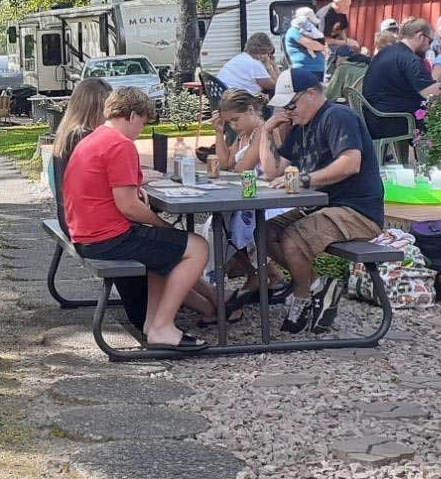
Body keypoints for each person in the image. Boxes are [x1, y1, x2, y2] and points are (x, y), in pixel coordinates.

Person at [62, 87, 210, 350]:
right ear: (131, 115)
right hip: (107, 238)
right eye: (142, 123)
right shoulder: (120, 144)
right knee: (197, 247)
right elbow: (129, 206)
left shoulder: (93, 138)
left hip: (86, 234)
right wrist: (162, 224)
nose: (141, 130)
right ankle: (163, 328)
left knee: (163, 250)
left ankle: (152, 324)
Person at [259, 68, 384, 334]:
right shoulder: (301, 126)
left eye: (291, 105)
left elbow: (350, 163)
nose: (288, 112)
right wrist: (265, 132)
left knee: (294, 238)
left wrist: (304, 180)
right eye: (284, 107)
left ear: (312, 94)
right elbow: (272, 172)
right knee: (263, 232)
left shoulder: (337, 115)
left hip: (357, 211)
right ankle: (317, 285)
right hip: (323, 207)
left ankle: (302, 297)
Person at [210, 90, 290, 315]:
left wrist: (230, 167)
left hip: (268, 197)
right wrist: (219, 132)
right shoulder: (243, 135)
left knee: (232, 224)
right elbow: (225, 163)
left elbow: (240, 168)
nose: (233, 126)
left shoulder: (262, 132)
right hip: (248, 196)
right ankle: (260, 274)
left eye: (235, 120)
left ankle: (268, 274)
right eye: (229, 122)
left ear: (251, 110)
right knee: (220, 223)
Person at [362, 18, 441, 139]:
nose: (429, 46)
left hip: (372, 118)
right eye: (430, 41)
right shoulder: (410, 59)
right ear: (420, 36)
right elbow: (430, 93)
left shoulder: (385, 52)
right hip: (393, 121)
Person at [284, 7, 327, 80]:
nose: (311, 24)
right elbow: (312, 45)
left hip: (318, 70)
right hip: (304, 70)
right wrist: (323, 46)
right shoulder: (293, 31)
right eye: (309, 20)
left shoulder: (311, 31)